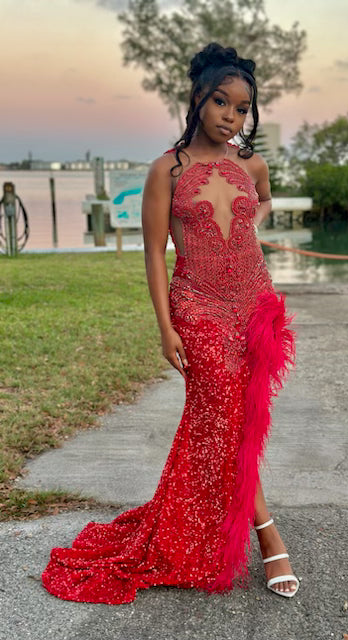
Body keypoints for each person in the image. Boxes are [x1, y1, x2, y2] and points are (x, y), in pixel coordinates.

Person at [41, 42, 298, 604]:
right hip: (198, 308)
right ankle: (266, 533)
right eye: (221, 102)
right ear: (196, 97)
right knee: (225, 414)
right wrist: (166, 325)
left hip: (255, 303)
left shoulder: (252, 163)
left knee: (243, 418)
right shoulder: (167, 170)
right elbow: (155, 252)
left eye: (241, 108)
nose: (231, 117)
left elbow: (266, 201)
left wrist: (249, 227)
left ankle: (225, 527)